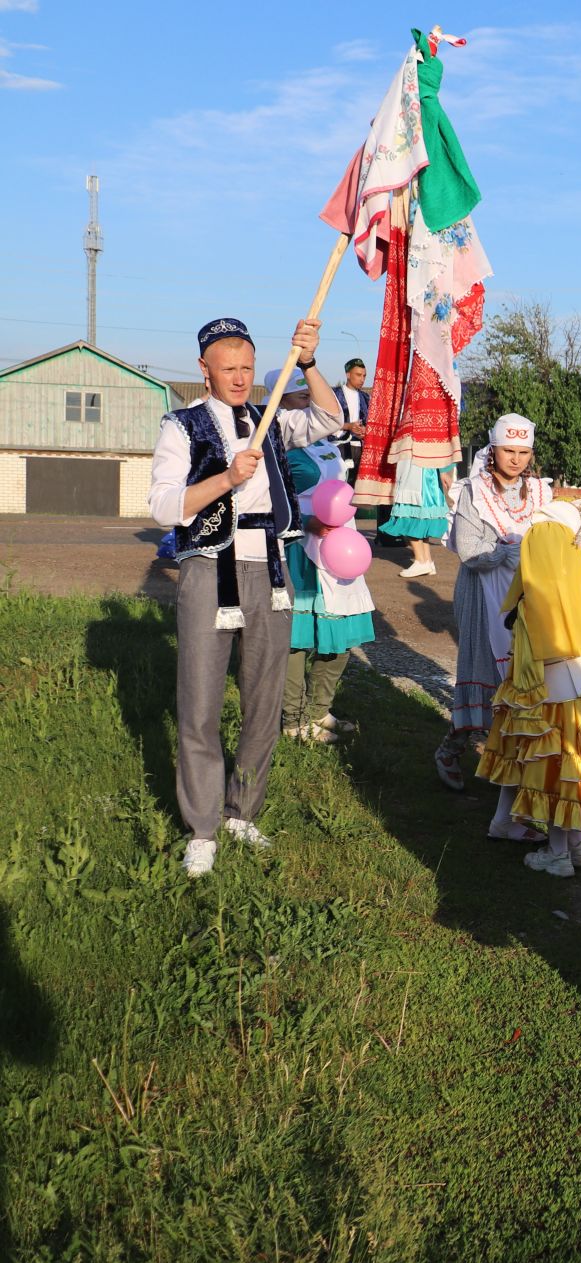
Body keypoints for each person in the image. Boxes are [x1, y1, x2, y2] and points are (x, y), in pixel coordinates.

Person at [148, 316, 344, 876]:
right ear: (204, 369)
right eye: (228, 368)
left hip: (271, 572)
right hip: (210, 570)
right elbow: (164, 506)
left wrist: (307, 362)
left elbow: (331, 417)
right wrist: (227, 480)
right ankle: (203, 827)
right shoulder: (181, 426)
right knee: (200, 703)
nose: (239, 378)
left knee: (264, 700)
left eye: (247, 368)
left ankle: (242, 810)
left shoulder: (270, 419)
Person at [477, 500, 581, 877]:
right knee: (570, 763)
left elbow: (531, 656)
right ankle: (573, 844)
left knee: (555, 768)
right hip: (580, 688)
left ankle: (558, 852)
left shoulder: (534, 602)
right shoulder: (574, 595)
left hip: (544, 694)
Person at [436, 414, 553, 794]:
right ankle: (451, 749)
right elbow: (470, 551)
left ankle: (514, 767)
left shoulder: (538, 492)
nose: (516, 459)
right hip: (481, 590)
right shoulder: (473, 491)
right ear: (493, 449)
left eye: (523, 452)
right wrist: (506, 552)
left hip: (526, 593)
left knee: (523, 678)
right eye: (508, 450)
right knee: (485, 672)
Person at [281, 371, 375, 744]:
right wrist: (306, 521)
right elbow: (266, 505)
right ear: (280, 402)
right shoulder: (279, 447)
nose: (308, 402)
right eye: (298, 397)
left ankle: (320, 711)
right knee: (297, 639)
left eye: (310, 396)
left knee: (339, 638)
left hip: (341, 551)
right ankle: (293, 718)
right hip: (300, 547)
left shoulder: (329, 444)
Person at [379, 448, 455, 578]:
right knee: (420, 517)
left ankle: (421, 560)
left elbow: (437, 436)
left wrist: (443, 470)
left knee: (411, 513)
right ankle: (427, 560)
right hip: (418, 463)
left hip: (419, 466)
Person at [332, 357, 370, 485]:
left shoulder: (365, 397)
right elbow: (324, 422)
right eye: (358, 375)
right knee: (340, 484)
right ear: (348, 374)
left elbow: (370, 422)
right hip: (338, 448)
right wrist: (348, 426)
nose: (362, 379)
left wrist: (365, 430)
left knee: (356, 487)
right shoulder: (334, 395)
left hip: (359, 449)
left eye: (364, 376)